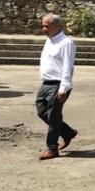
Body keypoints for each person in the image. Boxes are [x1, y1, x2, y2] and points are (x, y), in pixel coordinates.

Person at [36, 13, 77, 161]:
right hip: (46, 83)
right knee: (41, 111)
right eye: (43, 25)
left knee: (54, 116)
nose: (43, 29)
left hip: (58, 84)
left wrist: (63, 88)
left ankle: (52, 148)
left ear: (57, 26)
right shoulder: (49, 41)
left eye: (47, 26)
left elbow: (68, 67)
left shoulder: (66, 43)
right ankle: (67, 132)